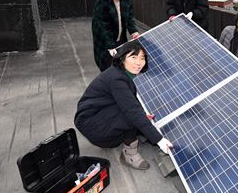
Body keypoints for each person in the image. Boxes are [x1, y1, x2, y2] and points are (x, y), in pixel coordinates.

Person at [74, 41, 173, 170]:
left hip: (96, 114)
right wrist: (159, 140)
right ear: (122, 59)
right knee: (132, 115)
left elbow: (128, 101)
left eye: (142, 58)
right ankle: (129, 154)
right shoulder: (117, 79)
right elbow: (132, 110)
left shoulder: (120, 73)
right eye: (133, 57)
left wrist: (142, 116)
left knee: (135, 112)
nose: (139, 62)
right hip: (92, 124)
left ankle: (138, 132)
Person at [91, 0, 140, 72]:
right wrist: (109, 45)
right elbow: (103, 27)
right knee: (108, 68)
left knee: (121, 65)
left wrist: (133, 31)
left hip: (120, 38)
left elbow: (129, 17)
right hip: (104, 41)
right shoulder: (102, 2)